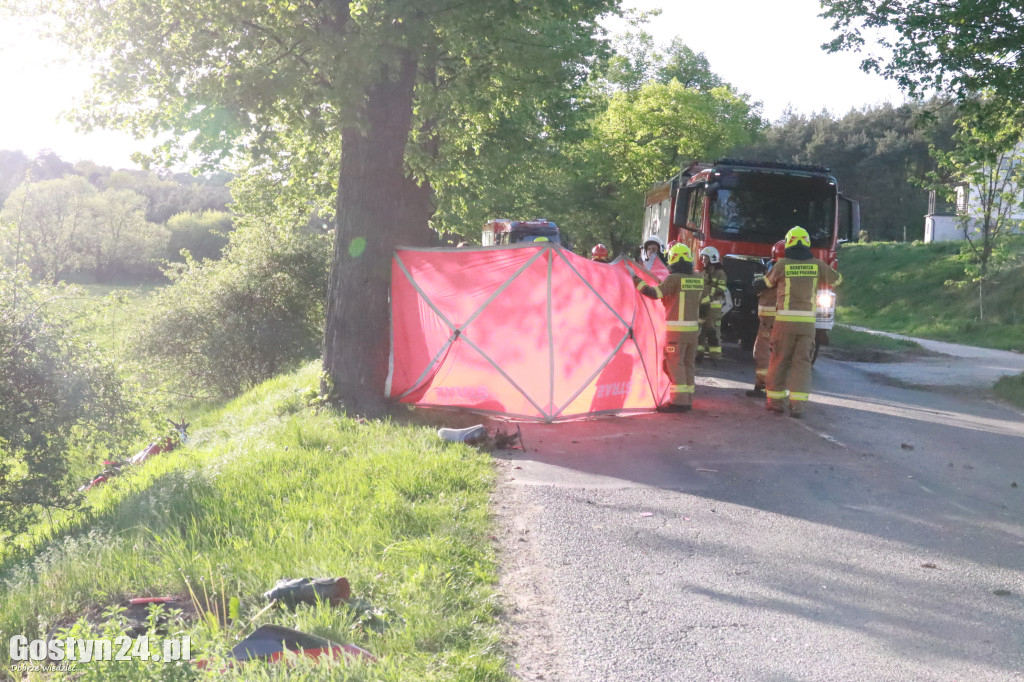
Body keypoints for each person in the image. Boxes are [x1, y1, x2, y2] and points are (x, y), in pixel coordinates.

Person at [763, 226, 842, 417]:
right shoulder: (816, 264)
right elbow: (837, 280)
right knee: (802, 364)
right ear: (807, 243)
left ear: (789, 243)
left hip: (784, 324)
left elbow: (767, 283)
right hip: (807, 325)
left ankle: (775, 403)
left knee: (779, 361)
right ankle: (797, 406)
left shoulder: (782, 265)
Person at [632, 243, 704, 412]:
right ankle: (688, 398)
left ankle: (679, 402)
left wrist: (635, 279)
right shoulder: (698, 279)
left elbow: (654, 293)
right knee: (687, 364)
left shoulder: (674, 279)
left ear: (673, 259)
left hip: (676, 334)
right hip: (692, 333)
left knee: (674, 364)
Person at [746, 239, 786, 397]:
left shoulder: (777, 272)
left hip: (770, 322)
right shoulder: (790, 274)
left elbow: (762, 285)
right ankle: (768, 386)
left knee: (762, 353)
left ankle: (764, 387)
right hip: (779, 321)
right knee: (774, 354)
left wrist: (758, 282)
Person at [698, 246, 727, 361]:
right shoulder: (703, 272)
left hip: (714, 307)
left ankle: (715, 357)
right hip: (703, 306)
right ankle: (698, 355)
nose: (703, 260)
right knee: (700, 331)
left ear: (712, 258)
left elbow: (721, 288)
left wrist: (707, 291)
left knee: (713, 331)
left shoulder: (720, 273)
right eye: (703, 258)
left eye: (705, 258)